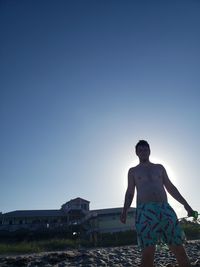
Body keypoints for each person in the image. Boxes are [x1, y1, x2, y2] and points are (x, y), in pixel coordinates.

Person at [120, 140, 194, 267]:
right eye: (140, 150)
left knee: (178, 247)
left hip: (164, 209)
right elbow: (130, 192)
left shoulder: (159, 167)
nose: (143, 152)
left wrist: (186, 205)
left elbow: (171, 188)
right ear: (136, 153)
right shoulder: (133, 171)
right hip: (145, 211)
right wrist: (124, 211)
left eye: (146, 149)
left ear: (150, 151)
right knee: (148, 251)